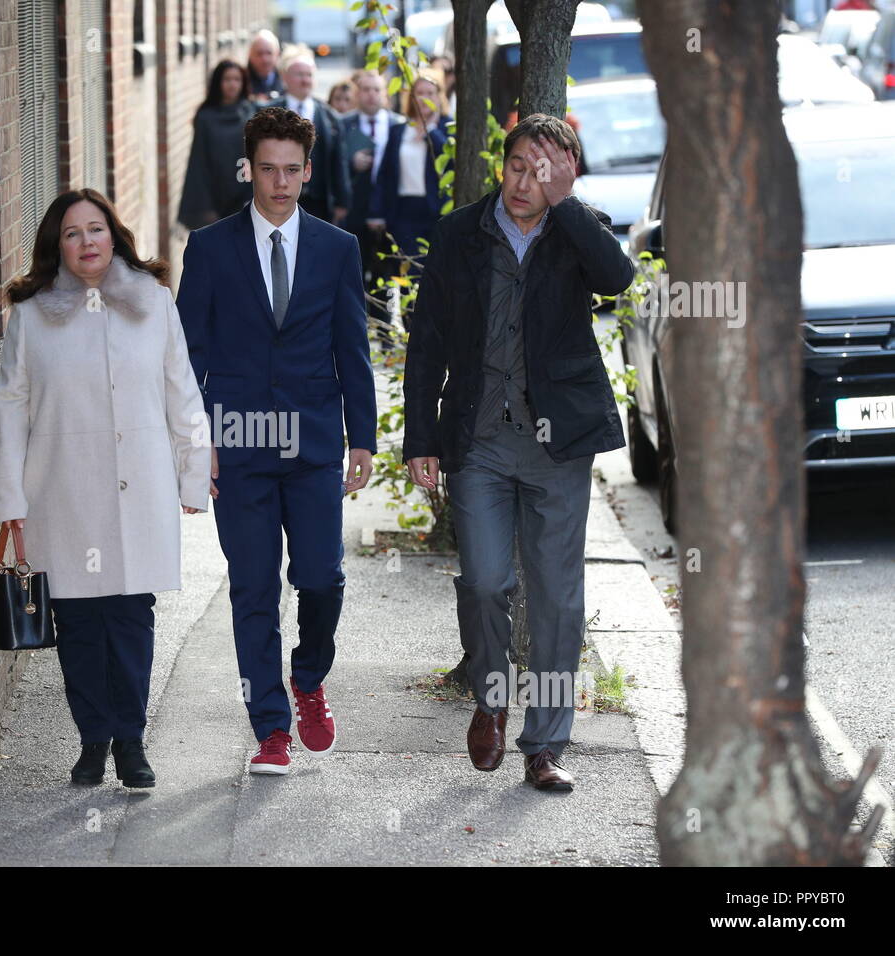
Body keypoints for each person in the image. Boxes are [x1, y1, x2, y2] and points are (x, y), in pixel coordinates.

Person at [402, 114, 635, 792]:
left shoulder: (578, 229)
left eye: (543, 171)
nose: (525, 182)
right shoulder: (459, 233)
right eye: (517, 167)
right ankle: (492, 698)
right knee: (483, 581)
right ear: (500, 167)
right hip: (480, 438)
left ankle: (546, 746)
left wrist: (568, 206)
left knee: (559, 600)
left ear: (564, 177)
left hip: (557, 445)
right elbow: (429, 343)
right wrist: (421, 438)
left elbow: (617, 278)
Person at [175, 106, 377, 775]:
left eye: (293, 170)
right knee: (253, 589)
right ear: (249, 169)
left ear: (308, 170)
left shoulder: (336, 249)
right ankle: (270, 728)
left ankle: (308, 678)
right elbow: (186, 358)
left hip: (315, 443)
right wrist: (195, 440)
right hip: (240, 447)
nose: (281, 182)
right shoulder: (208, 249)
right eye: (269, 169)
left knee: (321, 577)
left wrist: (364, 438)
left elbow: (355, 348)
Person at [0, 188, 211, 789]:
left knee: (133, 618)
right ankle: (92, 740)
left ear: (113, 234)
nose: (87, 242)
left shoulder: (153, 302)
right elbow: (10, 409)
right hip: (61, 491)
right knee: (80, 623)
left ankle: (132, 741)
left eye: (96, 229)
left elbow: (182, 391)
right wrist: (10, 500)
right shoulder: (33, 316)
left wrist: (193, 473)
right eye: (72, 233)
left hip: (141, 486)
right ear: (56, 246)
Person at [366, 68, 452, 322]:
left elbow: (451, 163)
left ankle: (434, 332)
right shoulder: (398, 131)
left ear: (439, 96)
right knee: (409, 274)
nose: (424, 98)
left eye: (430, 93)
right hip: (404, 212)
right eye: (419, 93)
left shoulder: (448, 128)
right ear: (411, 97)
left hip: (437, 212)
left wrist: (431, 134)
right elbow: (385, 175)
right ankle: (410, 332)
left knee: (435, 275)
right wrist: (376, 212)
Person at [341, 70, 405, 347]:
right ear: (356, 94)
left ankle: (385, 333)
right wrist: (350, 163)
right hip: (353, 212)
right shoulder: (343, 125)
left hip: (389, 215)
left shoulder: (399, 125)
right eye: (365, 89)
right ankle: (355, 334)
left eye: (376, 89)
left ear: (385, 95)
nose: (370, 94)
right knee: (354, 274)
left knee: (387, 274)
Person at [178, 59, 256, 230]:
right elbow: (198, 161)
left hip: (243, 191)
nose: (232, 84)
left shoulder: (250, 112)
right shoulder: (205, 116)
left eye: (237, 79)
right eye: (227, 79)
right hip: (213, 191)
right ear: (217, 82)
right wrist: (205, 206)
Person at [280, 50, 351, 225]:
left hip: (318, 203)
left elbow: (339, 162)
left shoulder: (330, 117)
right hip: (278, 197)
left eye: (309, 75)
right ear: (285, 78)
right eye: (299, 75)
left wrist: (342, 201)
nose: (305, 80)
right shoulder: (269, 112)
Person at [246, 29, 285, 102]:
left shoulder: (287, 81)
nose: (264, 59)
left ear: (278, 54)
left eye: (269, 53)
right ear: (250, 55)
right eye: (259, 53)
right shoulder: (241, 82)